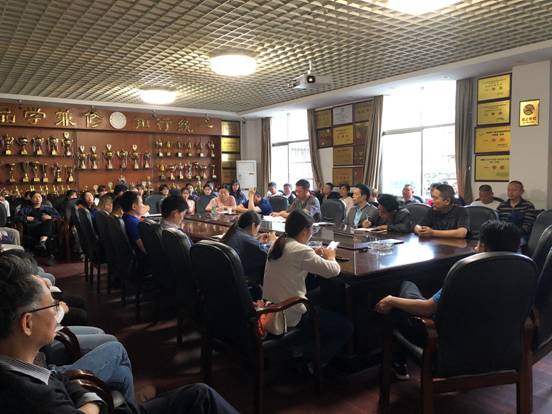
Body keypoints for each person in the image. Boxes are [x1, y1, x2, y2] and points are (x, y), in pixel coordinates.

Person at [0, 255, 239, 414]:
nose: (57, 310)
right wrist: (92, 401)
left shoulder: (21, 366)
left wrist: (83, 395)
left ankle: (131, 404)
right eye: (52, 305)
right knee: (201, 396)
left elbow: (58, 376)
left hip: (78, 395)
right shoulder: (33, 397)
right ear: (27, 323)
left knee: (125, 372)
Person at [374, 220, 522, 379]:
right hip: (501, 345)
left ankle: (396, 365)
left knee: (400, 299)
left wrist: (391, 301)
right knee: (409, 288)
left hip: (448, 344)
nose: (475, 248)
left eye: (478, 244)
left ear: (484, 247)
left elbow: (427, 309)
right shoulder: (522, 272)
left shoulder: (467, 272)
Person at [263, 210, 352, 365]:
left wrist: (313, 254)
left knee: (321, 293)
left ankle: (306, 344)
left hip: (271, 306)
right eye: (311, 230)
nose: (311, 234)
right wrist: (331, 256)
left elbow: (296, 261)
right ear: (305, 230)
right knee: (346, 328)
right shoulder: (301, 250)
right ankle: (312, 361)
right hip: (289, 311)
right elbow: (333, 271)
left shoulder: (279, 243)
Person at [221, 211, 275, 287]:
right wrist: (272, 242)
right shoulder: (245, 239)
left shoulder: (235, 232)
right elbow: (268, 254)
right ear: (253, 225)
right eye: (258, 227)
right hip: (238, 283)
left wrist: (255, 240)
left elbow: (250, 245)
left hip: (225, 280)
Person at [119, 191, 148, 256]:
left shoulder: (125, 217)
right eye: (141, 203)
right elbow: (145, 249)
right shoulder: (133, 223)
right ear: (134, 206)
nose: (143, 206)